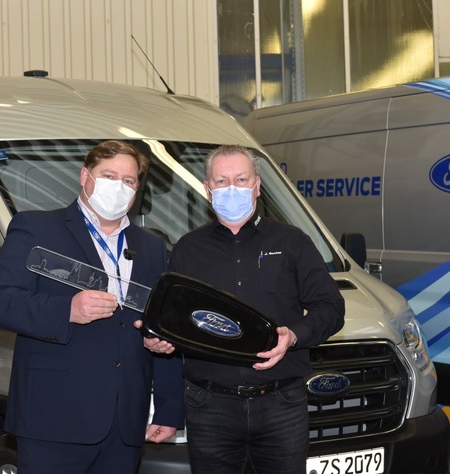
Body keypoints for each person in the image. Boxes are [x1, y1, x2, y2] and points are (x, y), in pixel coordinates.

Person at [0, 140, 184, 474]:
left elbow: (163, 326)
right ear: (84, 176)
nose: (118, 186)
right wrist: (67, 311)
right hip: (54, 418)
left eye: (128, 180)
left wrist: (168, 407)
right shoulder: (36, 228)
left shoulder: (151, 247)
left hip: (124, 424)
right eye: (109, 175)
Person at [143, 144, 346, 473]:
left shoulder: (292, 242)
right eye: (222, 181)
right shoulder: (187, 250)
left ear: (257, 185)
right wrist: (160, 340)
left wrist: (294, 336)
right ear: (208, 189)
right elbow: (175, 324)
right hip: (210, 406)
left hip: (281, 403)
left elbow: (331, 308)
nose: (232, 189)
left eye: (241, 179)